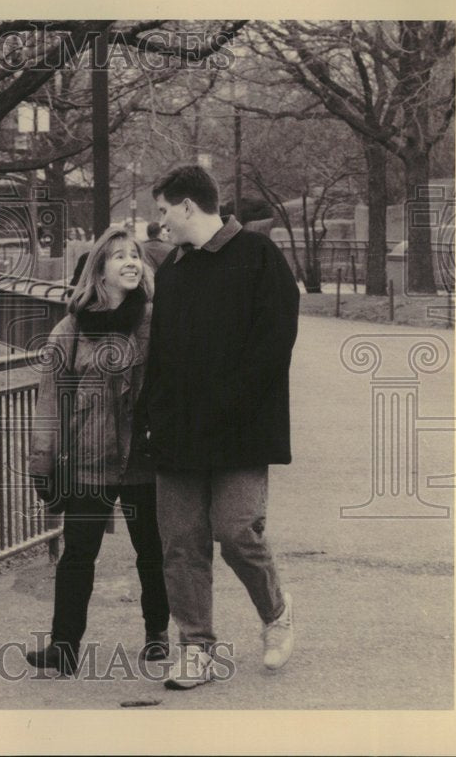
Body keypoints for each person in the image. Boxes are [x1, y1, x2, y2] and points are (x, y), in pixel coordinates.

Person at [137, 165, 300, 689]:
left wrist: (230, 405)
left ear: (188, 206)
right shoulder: (175, 272)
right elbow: (159, 357)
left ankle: (276, 613)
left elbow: (273, 346)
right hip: (178, 433)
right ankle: (197, 648)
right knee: (181, 543)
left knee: (235, 532)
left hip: (240, 430)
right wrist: (152, 418)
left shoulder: (258, 257)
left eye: (163, 210)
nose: (158, 222)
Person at [26, 226, 170, 676]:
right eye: (119, 256)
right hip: (89, 459)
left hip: (146, 459)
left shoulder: (158, 321)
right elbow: (50, 401)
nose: (131, 262)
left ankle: (157, 636)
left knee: (153, 552)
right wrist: (43, 463)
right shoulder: (69, 330)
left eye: (136, 256)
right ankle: (64, 647)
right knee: (78, 554)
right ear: (99, 270)